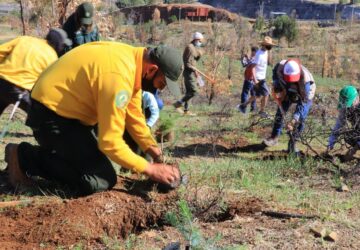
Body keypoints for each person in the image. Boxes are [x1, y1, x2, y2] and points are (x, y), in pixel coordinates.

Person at [4, 43, 183, 196]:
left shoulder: (131, 61)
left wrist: (158, 155)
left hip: (70, 112)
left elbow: (135, 117)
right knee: (99, 180)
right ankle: (24, 156)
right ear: (152, 69)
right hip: (51, 116)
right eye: (162, 83)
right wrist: (150, 169)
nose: (161, 88)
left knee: (113, 148)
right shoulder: (119, 77)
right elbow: (110, 143)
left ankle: (67, 156)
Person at [0, 28, 71, 116]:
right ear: (59, 44)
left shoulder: (24, 39)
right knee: (39, 117)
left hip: (1, 80)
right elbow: (47, 85)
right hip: (19, 90)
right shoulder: (52, 57)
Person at [263, 59, 316, 150]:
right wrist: (278, 89)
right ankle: (274, 137)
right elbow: (276, 79)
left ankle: (293, 141)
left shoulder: (305, 82)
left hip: (304, 91)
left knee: (301, 118)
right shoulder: (279, 67)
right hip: (287, 89)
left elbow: (302, 104)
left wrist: (293, 120)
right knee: (280, 111)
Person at [238, 36, 276, 118]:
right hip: (258, 79)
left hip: (261, 77)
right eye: (268, 45)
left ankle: (242, 106)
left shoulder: (265, 51)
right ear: (264, 45)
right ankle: (262, 112)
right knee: (266, 94)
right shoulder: (259, 55)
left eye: (270, 45)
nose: (270, 47)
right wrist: (255, 80)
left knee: (256, 96)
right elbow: (252, 67)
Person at [173, 32, 204, 116]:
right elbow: (187, 63)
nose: (201, 42)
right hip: (188, 73)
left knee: (189, 92)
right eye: (200, 41)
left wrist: (199, 55)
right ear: (196, 39)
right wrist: (194, 69)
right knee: (194, 91)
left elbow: (194, 60)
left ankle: (186, 111)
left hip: (192, 72)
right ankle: (178, 103)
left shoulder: (194, 47)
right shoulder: (190, 48)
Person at [326, 85, 360, 161]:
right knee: (349, 136)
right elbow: (338, 126)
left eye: (349, 103)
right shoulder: (346, 107)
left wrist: (353, 150)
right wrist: (330, 145)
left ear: (356, 98)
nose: (347, 106)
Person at [237, 46, 258, 113]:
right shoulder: (256, 59)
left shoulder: (254, 59)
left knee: (245, 93)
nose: (251, 53)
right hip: (255, 80)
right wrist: (247, 58)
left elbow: (245, 64)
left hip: (249, 78)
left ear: (254, 52)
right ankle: (253, 109)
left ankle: (243, 108)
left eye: (252, 51)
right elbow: (248, 63)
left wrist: (244, 58)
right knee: (253, 94)